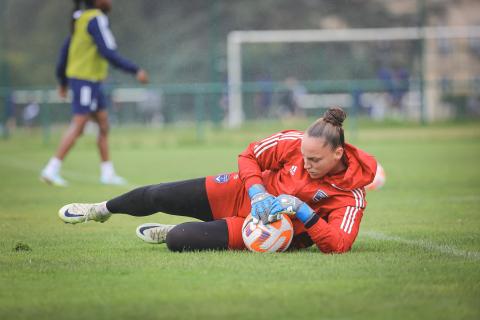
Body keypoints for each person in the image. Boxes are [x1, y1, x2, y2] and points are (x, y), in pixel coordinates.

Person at [58, 107, 377, 254]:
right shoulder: (294, 141)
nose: (306, 164)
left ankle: (177, 228)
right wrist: (257, 191)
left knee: (178, 240)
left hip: (265, 229)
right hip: (244, 191)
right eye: (303, 157)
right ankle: (99, 210)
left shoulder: (352, 194)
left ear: (338, 154)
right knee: (158, 195)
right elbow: (249, 155)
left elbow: (339, 244)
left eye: (315, 161)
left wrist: (303, 212)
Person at [40, 0, 149, 187]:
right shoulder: (96, 19)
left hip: (92, 81)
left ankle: (107, 173)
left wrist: (62, 80)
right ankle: (51, 169)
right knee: (79, 124)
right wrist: (135, 70)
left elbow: (66, 51)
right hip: (85, 81)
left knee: (104, 124)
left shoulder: (80, 19)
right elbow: (108, 52)